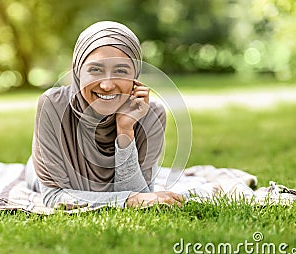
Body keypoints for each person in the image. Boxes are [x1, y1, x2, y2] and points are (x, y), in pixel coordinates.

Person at [25, 21, 184, 209]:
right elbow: (54, 197)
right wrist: (128, 200)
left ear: (136, 74)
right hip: (37, 172)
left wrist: (125, 129)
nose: (107, 85)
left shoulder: (151, 114)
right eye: (95, 70)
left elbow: (143, 195)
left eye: (121, 71)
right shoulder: (52, 105)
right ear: (77, 71)